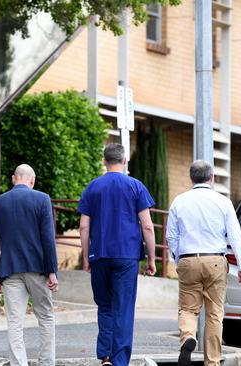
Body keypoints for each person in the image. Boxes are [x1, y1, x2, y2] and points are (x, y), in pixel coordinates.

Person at [78, 143, 157, 366]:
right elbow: (148, 226)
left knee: (104, 306)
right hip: (127, 256)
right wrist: (151, 259)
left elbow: (84, 226)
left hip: (100, 255)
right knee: (123, 308)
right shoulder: (135, 186)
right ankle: (120, 360)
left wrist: (86, 256)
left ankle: (105, 357)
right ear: (124, 161)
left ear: (104, 161)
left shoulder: (92, 187)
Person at [166, 160, 241, 366]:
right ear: (212, 178)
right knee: (214, 315)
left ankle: (187, 337)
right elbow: (235, 237)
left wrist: (178, 259)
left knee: (188, 309)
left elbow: (171, 236)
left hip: (188, 259)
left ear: (191, 178)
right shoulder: (223, 202)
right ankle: (212, 362)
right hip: (215, 261)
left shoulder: (179, 201)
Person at [0, 164, 59, 366]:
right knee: (45, 317)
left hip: (10, 270)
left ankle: (19, 364)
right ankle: (46, 363)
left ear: (13, 179)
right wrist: (52, 271)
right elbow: (48, 238)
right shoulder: (42, 199)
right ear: (32, 180)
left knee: (15, 322)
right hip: (39, 270)